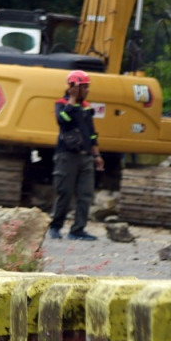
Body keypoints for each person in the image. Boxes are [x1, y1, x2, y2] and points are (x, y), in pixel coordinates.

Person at [48, 69, 104, 241]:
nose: (86, 90)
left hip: (85, 156)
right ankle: (55, 226)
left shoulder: (86, 108)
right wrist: (72, 99)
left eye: (87, 87)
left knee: (85, 194)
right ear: (73, 87)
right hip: (67, 156)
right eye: (83, 87)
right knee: (64, 192)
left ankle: (77, 230)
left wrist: (96, 155)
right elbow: (63, 120)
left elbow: (92, 133)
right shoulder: (62, 104)